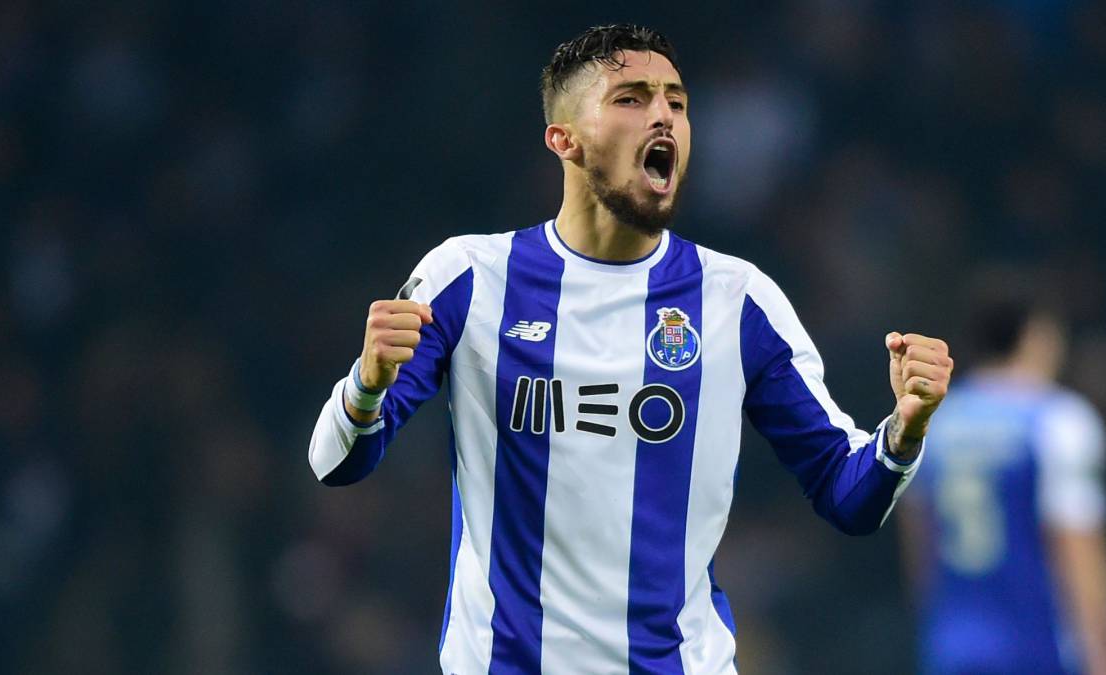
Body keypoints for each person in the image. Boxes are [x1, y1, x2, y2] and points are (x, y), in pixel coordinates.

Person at [308, 24, 953, 674]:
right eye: (631, 98)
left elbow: (846, 493)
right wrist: (366, 384)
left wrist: (905, 430)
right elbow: (335, 464)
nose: (664, 116)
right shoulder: (469, 277)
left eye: (677, 101)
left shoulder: (737, 300)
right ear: (564, 139)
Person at [898, 288, 1106, 675]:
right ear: (1036, 336)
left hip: (953, 647)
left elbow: (920, 550)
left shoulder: (934, 422)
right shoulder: (1057, 420)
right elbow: (1076, 543)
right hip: (1037, 647)